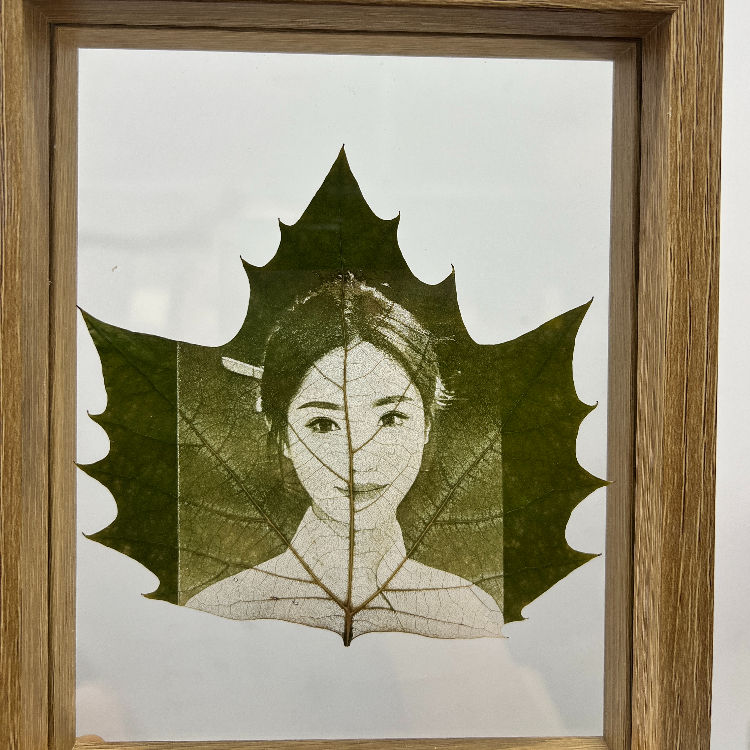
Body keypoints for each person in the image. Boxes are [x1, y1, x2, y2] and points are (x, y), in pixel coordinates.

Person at [186, 278, 503, 644]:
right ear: (283, 435)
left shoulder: (467, 613)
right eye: (323, 424)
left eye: (391, 418)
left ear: (427, 424)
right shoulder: (222, 612)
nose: (359, 459)